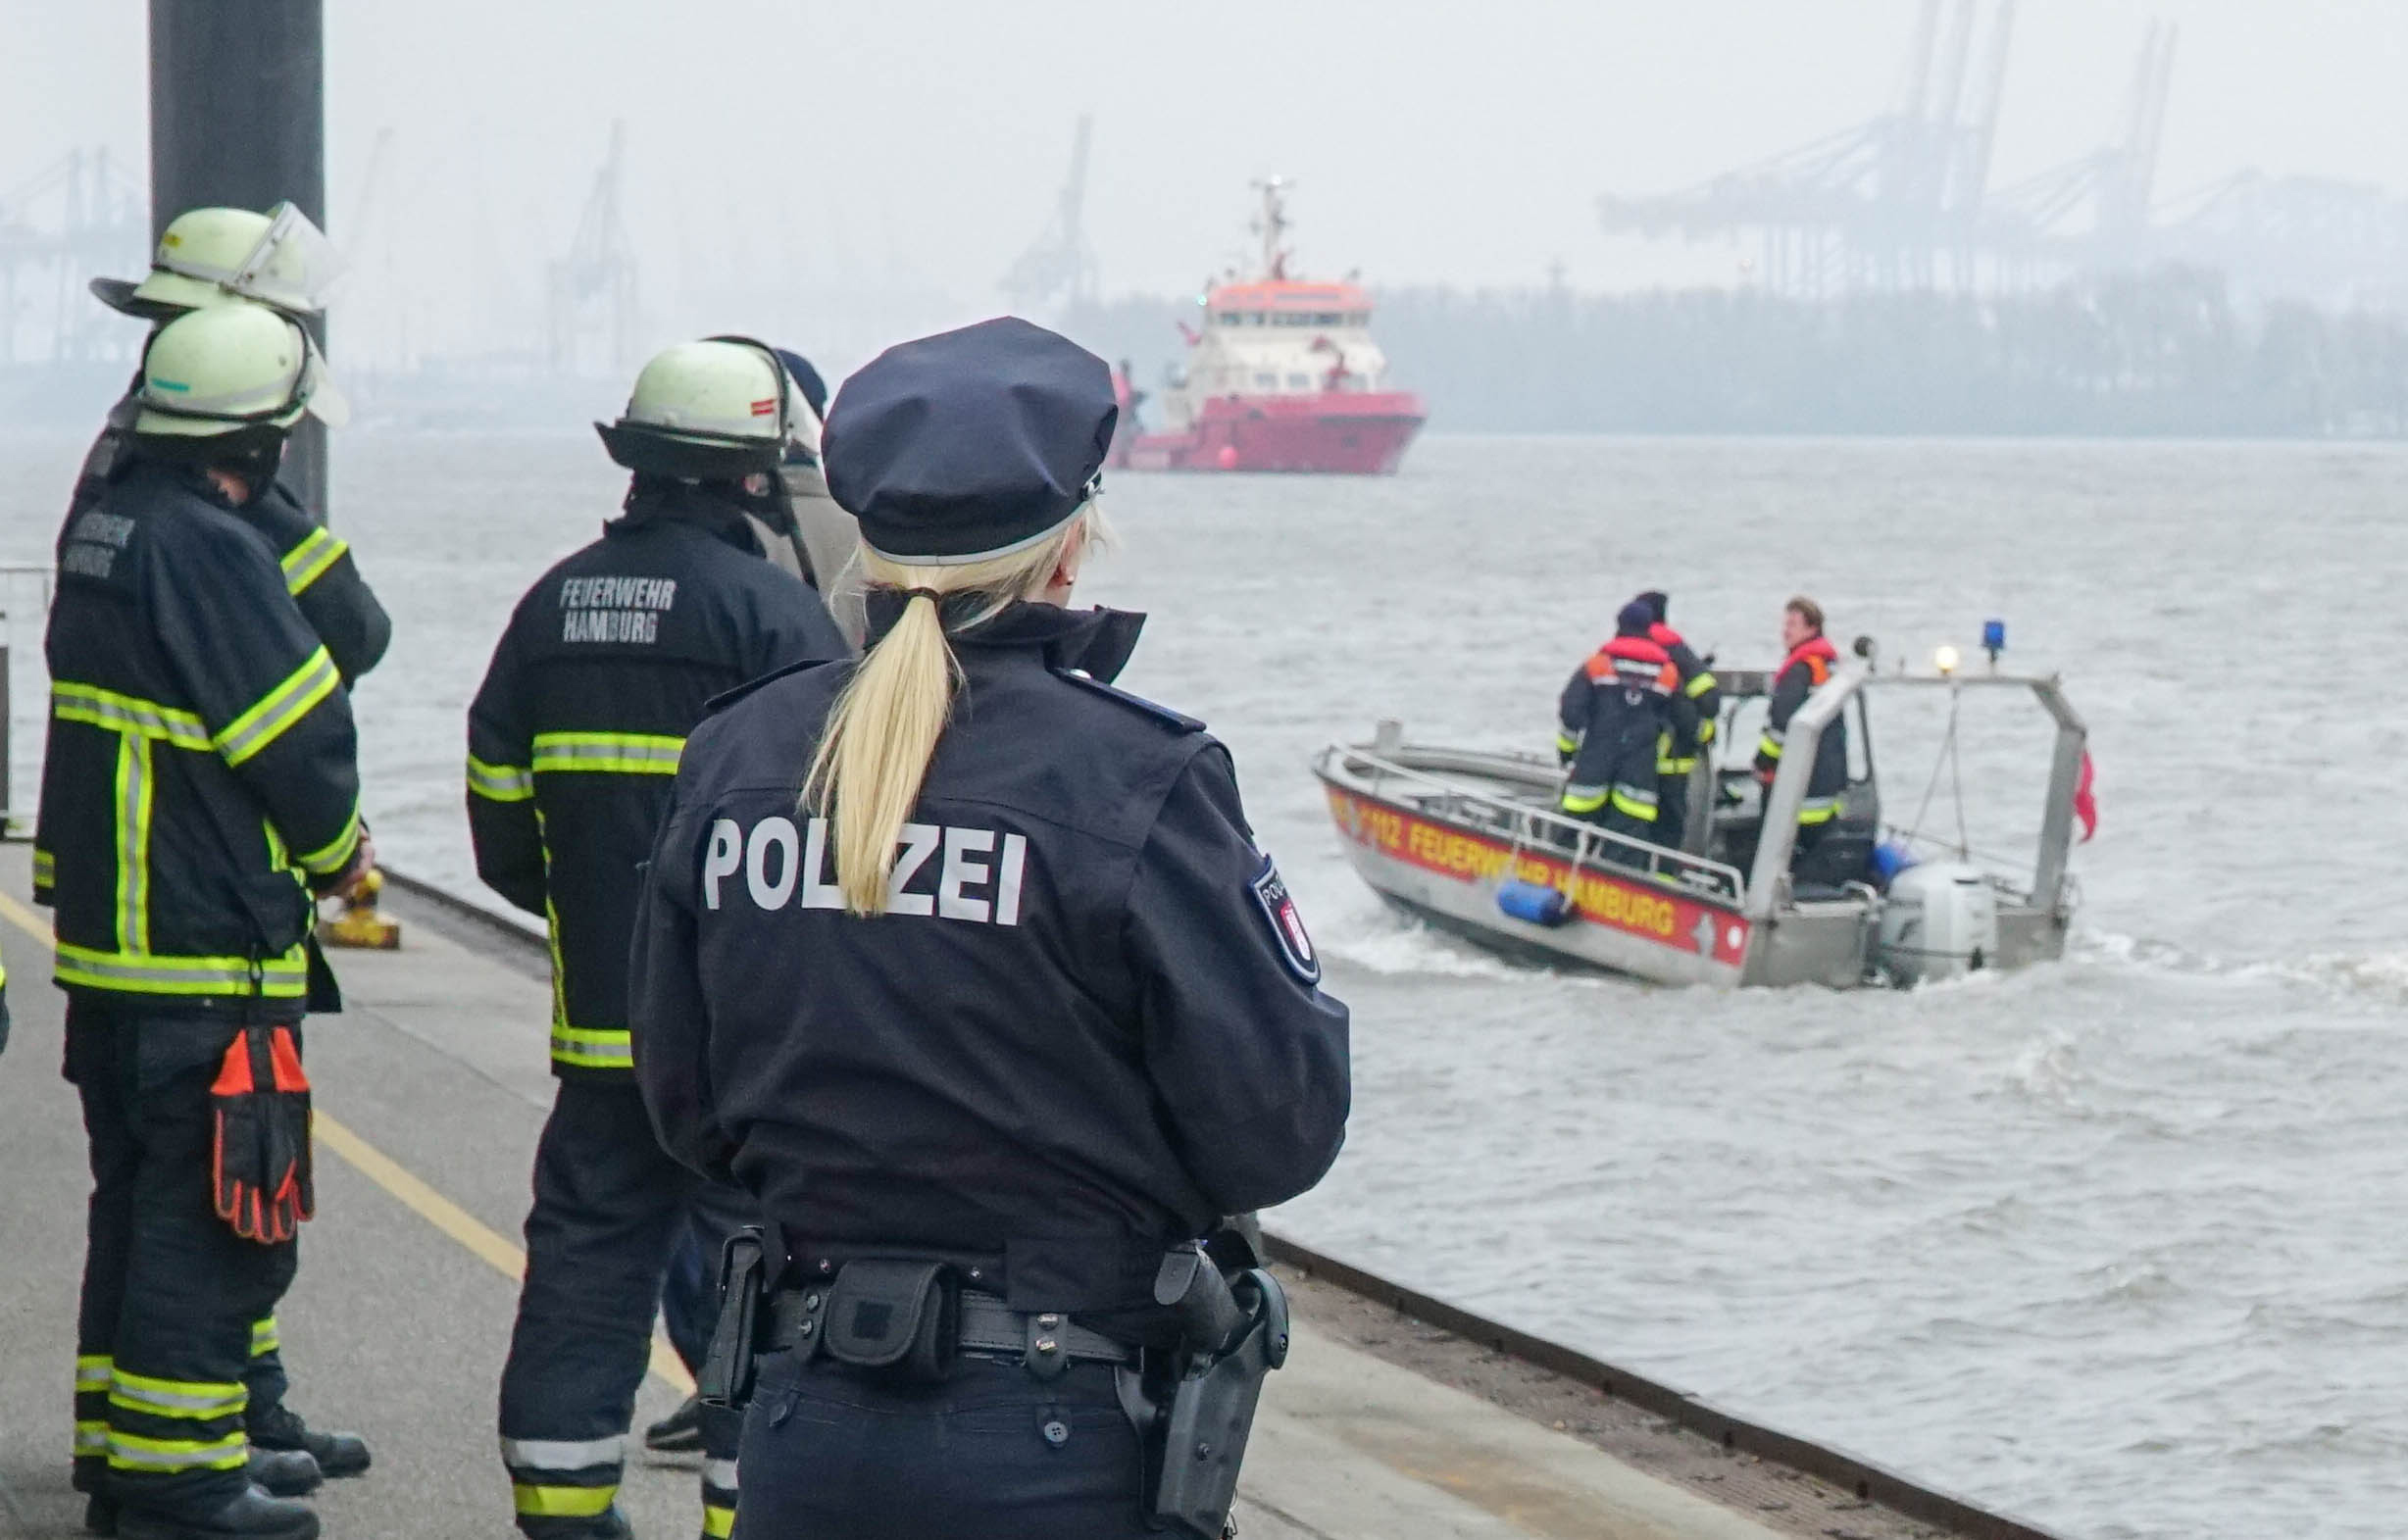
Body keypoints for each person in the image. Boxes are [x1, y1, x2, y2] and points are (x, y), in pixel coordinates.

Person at [627, 316, 1351, 1539]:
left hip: (805, 1423)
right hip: (1053, 1430)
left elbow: (687, 1105)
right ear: (1067, 551)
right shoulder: (1133, 780)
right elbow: (1274, 1125)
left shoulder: (738, 756)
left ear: (868, 540)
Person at [469, 336, 847, 1540]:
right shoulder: (780, 618)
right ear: (753, 476)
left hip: (598, 1043)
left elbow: (497, 834)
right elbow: (837, 848)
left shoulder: (549, 606)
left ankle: (563, 1508)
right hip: (741, 1053)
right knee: (758, 1284)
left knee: (583, 1263)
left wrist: (595, 926)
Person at [63, 209, 389, 1499]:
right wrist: (337, 847)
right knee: (212, 1214)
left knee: (146, 1204)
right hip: (200, 931)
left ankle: (138, 1440)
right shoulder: (208, 539)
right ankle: (183, 1475)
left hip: (119, 925)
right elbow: (300, 728)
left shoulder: (115, 500)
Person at [1557, 600, 1681, 846]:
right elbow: (1684, 722)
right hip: (1638, 777)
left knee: (1570, 846)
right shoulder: (1668, 674)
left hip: (1591, 774)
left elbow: (1570, 712)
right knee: (1624, 852)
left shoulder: (1597, 665)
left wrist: (1567, 753)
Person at [1753, 595, 1849, 862]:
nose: (1786, 630)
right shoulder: (1829, 668)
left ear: (1811, 629)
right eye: (1785, 623)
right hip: (1827, 783)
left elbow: (1781, 727)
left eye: (1793, 624)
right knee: (1817, 854)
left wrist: (1762, 762)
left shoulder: (1799, 670)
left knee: (1776, 857)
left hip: (1798, 785)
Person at [1633, 590, 1721, 853]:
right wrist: (1700, 730)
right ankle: (1664, 878)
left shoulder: (1633, 650)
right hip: (1674, 760)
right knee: (1669, 829)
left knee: (1634, 828)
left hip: (1636, 759)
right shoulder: (1679, 651)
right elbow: (1710, 700)